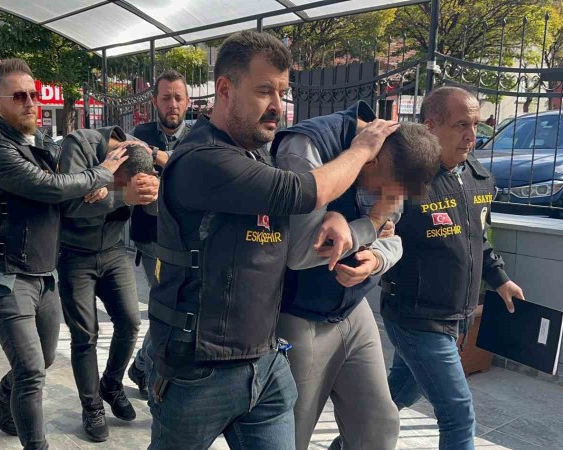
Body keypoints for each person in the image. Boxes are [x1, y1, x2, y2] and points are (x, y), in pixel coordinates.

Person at [146, 30, 400, 450]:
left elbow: (307, 224)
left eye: (282, 92)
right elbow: (304, 191)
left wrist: (344, 220)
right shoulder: (204, 159)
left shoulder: (258, 153)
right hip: (198, 370)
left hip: (265, 364)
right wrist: (361, 150)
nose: (278, 106)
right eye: (265, 91)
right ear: (225, 90)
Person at [0, 58, 126, 450]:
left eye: (34, 94)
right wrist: (101, 173)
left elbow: (63, 190)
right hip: (3, 274)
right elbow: (50, 187)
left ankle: (0, 396)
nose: (30, 102)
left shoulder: (36, 142)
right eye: (19, 96)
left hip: (42, 272)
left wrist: (92, 188)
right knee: (32, 372)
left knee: (44, 358)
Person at [272, 102, 442, 450]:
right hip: (299, 311)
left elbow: (393, 238)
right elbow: (300, 253)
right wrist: (369, 225)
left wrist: (375, 259)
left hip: (352, 307)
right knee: (292, 433)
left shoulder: (396, 158)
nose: (388, 200)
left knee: (378, 425)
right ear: (370, 161)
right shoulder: (308, 147)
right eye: (386, 191)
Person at [380, 86, 525, 450]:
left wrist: (500, 279)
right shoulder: (405, 179)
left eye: (475, 124)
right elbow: (376, 236)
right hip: (416, 318)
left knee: (397, 395)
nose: (472, 135)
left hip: (456, 317)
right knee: (458, 414)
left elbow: (478, 240)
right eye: (462, 125)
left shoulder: (478, 177)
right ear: (430, 126)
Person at [57, 128, 159, 442]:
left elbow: (151, 210)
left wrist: (152, 193)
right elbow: (68, 206)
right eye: (117, 182)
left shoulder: (139, 154)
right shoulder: (79, 146)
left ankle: (111, 384)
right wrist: (116, 193)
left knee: (130, 321)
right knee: (84, 335)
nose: (117, 190)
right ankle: (92, 408)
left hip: (113, 250)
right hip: (75, 253)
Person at [127, 69, 192, 398]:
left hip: (185, 238)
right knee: (168, 306)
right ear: (155, 101)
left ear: (188, 101)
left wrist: (163, 159)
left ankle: (142, 364)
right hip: (151, 236)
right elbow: (133, 181)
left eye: (178, 97)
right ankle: (146, 367)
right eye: (166, 97)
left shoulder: (198, 135)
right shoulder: (140, 135)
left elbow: (199, 174)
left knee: (177, 306)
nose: (172, 104)